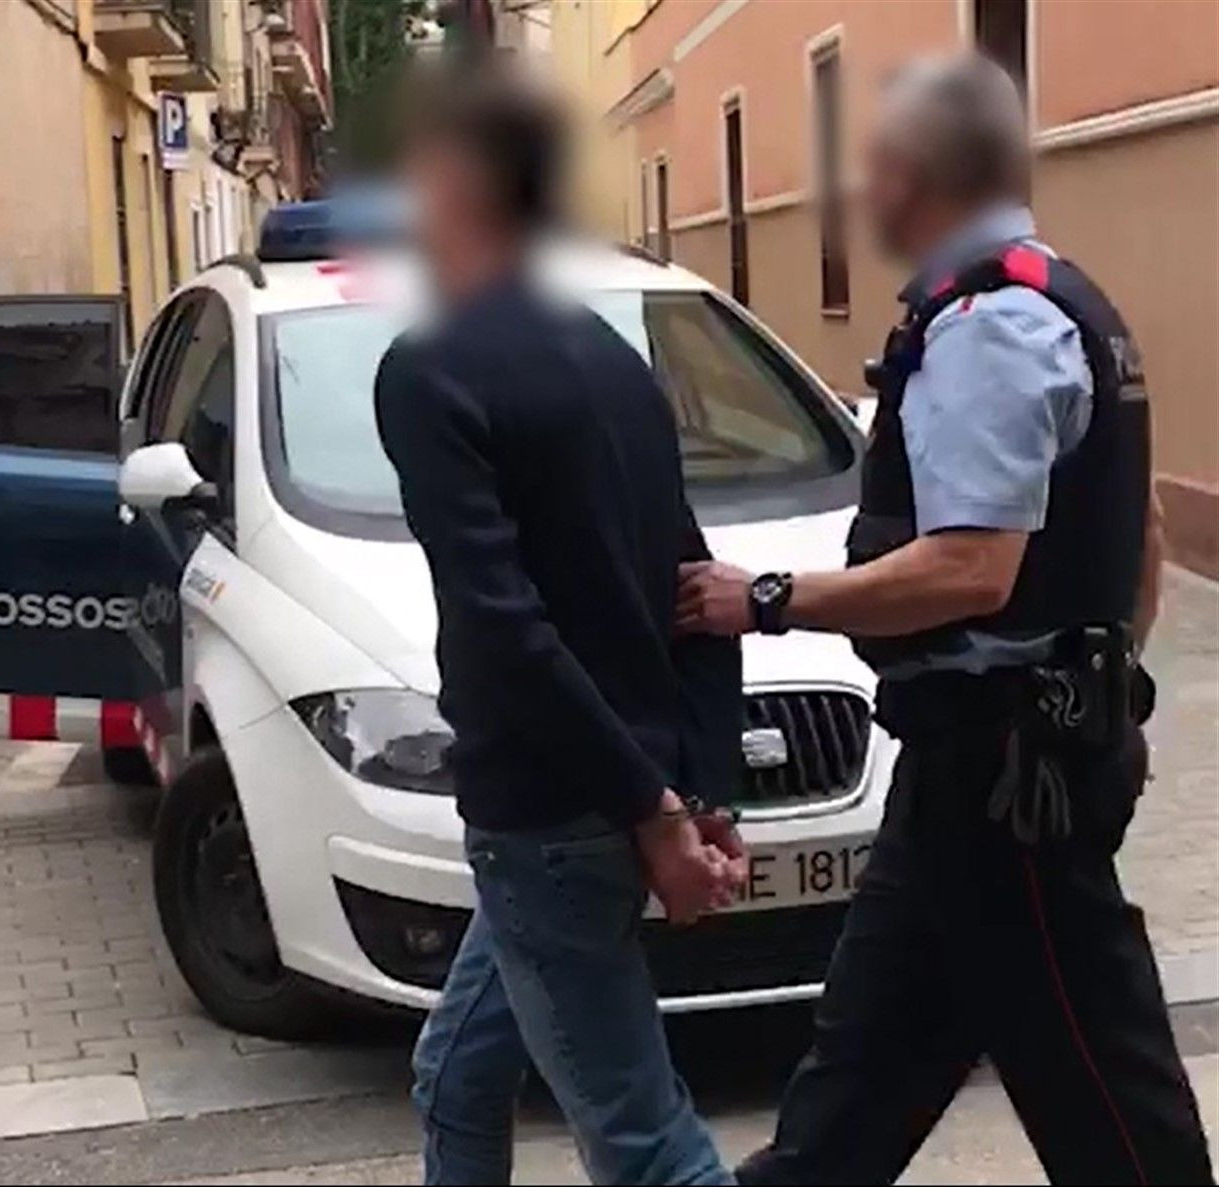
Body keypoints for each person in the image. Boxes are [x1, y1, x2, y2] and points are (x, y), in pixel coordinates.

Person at [676, 53, 1211, 1184]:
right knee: (858, 1083)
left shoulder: (987, 326)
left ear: (921, 172)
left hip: (1006, 784)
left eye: (872, 169)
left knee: (1112, 1102)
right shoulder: (1065, 293)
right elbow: (1145, 536)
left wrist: (766, 600)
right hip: (983, 767)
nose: (861, 196)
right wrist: (1105, 687)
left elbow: (972, 568)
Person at [374, 67, 749, 1186]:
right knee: (457, 1072)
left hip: (550, 810)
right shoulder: (610, 356)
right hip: (610, 797)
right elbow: (697, 587)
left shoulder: (430, 370)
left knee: (642, 1137)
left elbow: (505, 631)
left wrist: (659, 812)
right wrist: (703, 784)